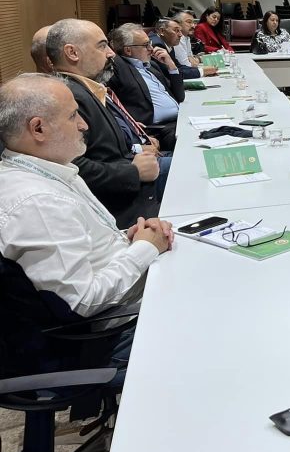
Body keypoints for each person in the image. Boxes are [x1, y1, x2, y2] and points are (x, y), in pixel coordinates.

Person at [0, 73, 172, 317]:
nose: (84, 125)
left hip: (132, 285)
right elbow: (81, 301)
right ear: (38, 128)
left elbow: (86, 248)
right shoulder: (38, 203)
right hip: (126, 320)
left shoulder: (49, 169)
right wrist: (146, 247)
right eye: (73, 116)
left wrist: (132, 238)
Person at [47, 18, 166, 227]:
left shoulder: (89, 88)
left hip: (132, 187)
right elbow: (69, 166)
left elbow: (106, 149)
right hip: (122, 206)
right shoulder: (68, 97)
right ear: (72, 53)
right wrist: (132, 172)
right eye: (102, 46)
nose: (111, 53)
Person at [107, 24, 185, 150]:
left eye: (150, 43)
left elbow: (180, 96)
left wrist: (171, 66)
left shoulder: (152, 66)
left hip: (179, 120)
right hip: (159, 130)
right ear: (128, 50)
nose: (151, 48)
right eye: (146, 45)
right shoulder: (119, 67)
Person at [151, 18, 217, 79]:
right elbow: (170, 73)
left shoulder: (167, 42)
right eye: (176, 30)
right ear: (162, 31)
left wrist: (201, 69)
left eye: (180, 31)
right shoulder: (157, 45)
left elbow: (178, 66)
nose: (180, 35)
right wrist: (202, 71)